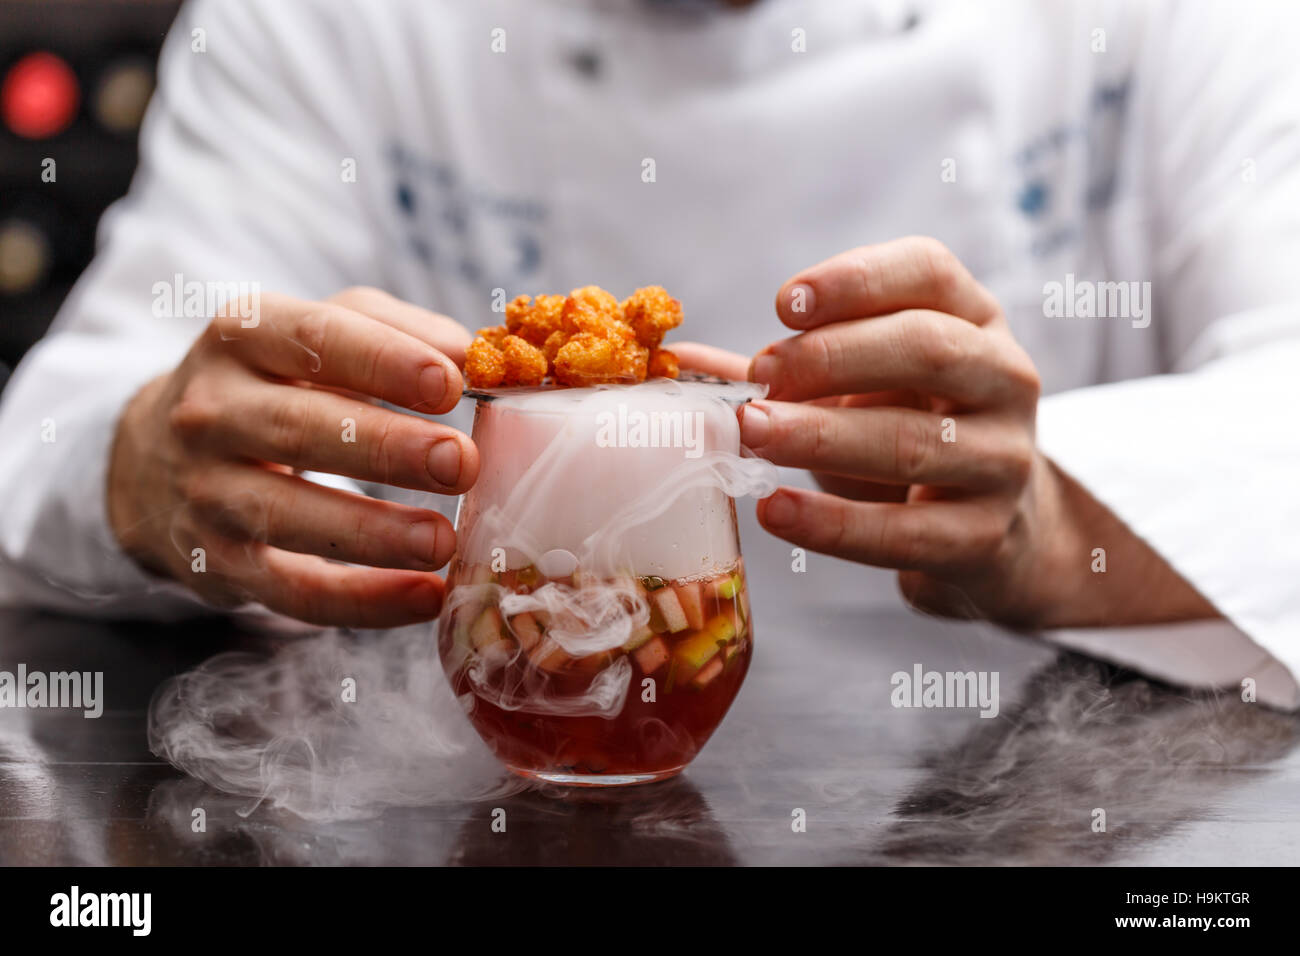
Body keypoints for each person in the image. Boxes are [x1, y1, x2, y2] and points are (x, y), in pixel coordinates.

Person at [1, 0, 1297, 706]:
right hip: (485, 768)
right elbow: (50, 432)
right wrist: (144, 467)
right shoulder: (327, 27)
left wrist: (1046, 521)